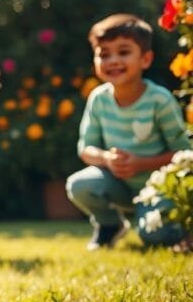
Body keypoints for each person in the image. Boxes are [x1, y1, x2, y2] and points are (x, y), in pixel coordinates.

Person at [66, 13, 192, 251]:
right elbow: (86, 149)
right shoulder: (98, 99)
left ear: (145, 59)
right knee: (79, 185)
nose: (113, 60)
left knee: (157, 237)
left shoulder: (160, 100)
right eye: (104, 54)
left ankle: (179, 227)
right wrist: (106, 159)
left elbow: (184, 154)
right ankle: (110, 225)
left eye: (123, 52)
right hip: (119, 185)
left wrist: (141, 164)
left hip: (158, 188)